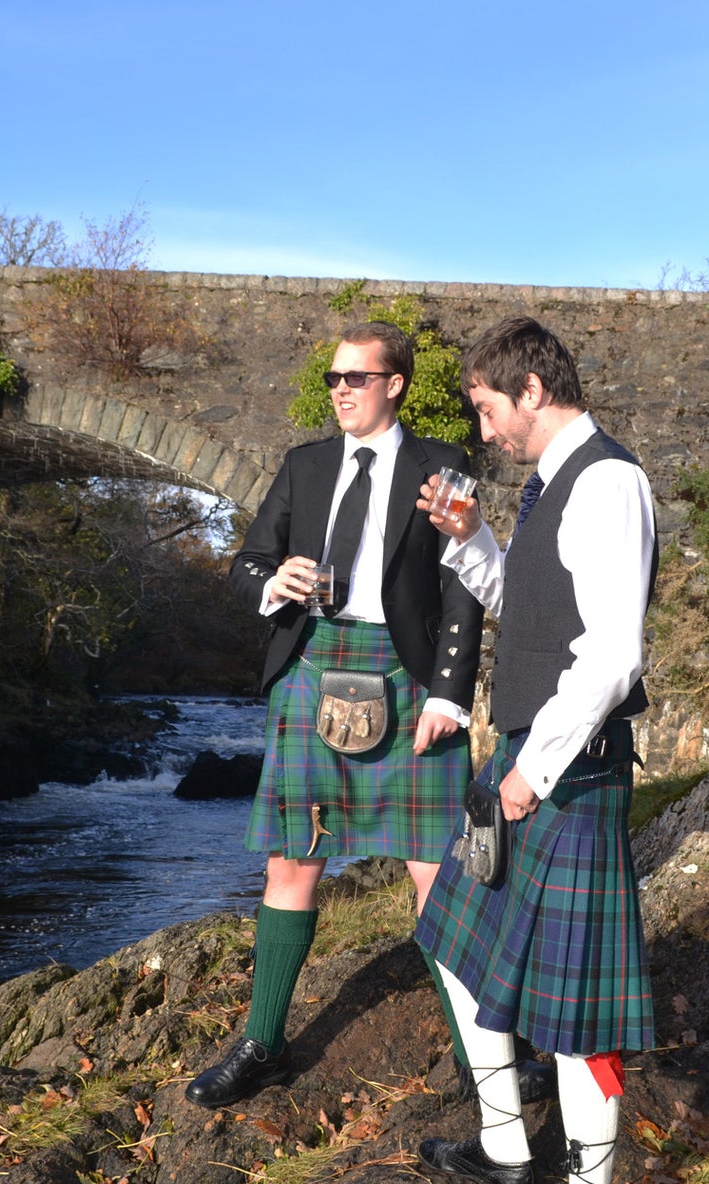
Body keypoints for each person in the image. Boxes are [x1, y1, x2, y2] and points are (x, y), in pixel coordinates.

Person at [413, 316, 657, 1184]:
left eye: (483, 406)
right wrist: (474, 545)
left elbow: (610, 654)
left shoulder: (607, 481)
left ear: (527, 388)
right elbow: (533, 612)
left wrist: (533, 769)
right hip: (523, 753)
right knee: (456, 948)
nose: (482, 428)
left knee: (573, 1023)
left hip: (567, 773)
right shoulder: (549, 484)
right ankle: (508, 1145)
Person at [184, 320, 487, 1109]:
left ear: (396, 384)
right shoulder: (305, 465)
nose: (341, 389)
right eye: (332, 378)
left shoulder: (443, 465)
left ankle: (480, 1056)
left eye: (356, 376)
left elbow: (462, 588)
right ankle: (263, 1043)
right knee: (292, 861)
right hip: (313, 665)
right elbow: (247, 558)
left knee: (437, 869)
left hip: (408, 675)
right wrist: (271, 579)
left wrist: (452, 695)